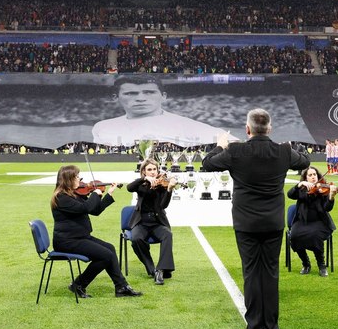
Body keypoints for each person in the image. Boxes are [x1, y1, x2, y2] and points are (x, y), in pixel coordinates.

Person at [202, 108, 310, 329]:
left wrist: (221, 145)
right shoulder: (282, 151)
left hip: (246, 223)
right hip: (272, 223)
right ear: (269, 128)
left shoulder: (237, 151)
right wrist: (291, 147)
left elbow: (207, 163)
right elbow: (305, 161)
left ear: (247, 129)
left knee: (251, 274)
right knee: (270, 274)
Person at [50, 165, 142, 298]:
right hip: (67, 241)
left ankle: (121, 286)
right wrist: (95, 193)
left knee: (109, 249)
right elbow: (85, 208)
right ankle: (79, 284)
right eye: (77, 176)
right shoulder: (61, 198)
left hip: (79, 237)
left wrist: (108, 194)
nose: (80, 179)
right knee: (105, 255)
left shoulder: (74, 194)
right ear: (68, 179)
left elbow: (95, 210)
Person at [92, 75, 237, 147]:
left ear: (164, 97)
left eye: (149, 92)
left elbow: (232, 142)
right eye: (131, 94)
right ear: (115, 97)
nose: (141, 99)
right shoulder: (103, 127)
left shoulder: (185, 125)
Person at [126, 158, 177, 285]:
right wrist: (144, 179)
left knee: (167, 234)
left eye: (154, 169)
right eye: (149, 170)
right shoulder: (140, 184)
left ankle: (161, 269)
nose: (153, 172)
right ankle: (152, 269)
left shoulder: (162, 185)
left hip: (157, 222)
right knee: (136, 239)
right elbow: (129, 188)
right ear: (144, 171)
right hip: (141, 222)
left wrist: (169, 189)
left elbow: (163, 205)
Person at [287, 167, 338, 277]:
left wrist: (331, 197)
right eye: (309, 175)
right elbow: (290, 194)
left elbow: (327, 208)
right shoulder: (301, 189)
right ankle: (306, 263)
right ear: (305, 178)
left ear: (318, 176)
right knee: (294, 236)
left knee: (315, 235)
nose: (313, 176)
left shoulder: (323, 190)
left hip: (320, 222)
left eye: (314, 174)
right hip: (302, 221)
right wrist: (299, 185)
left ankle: (322, 266)